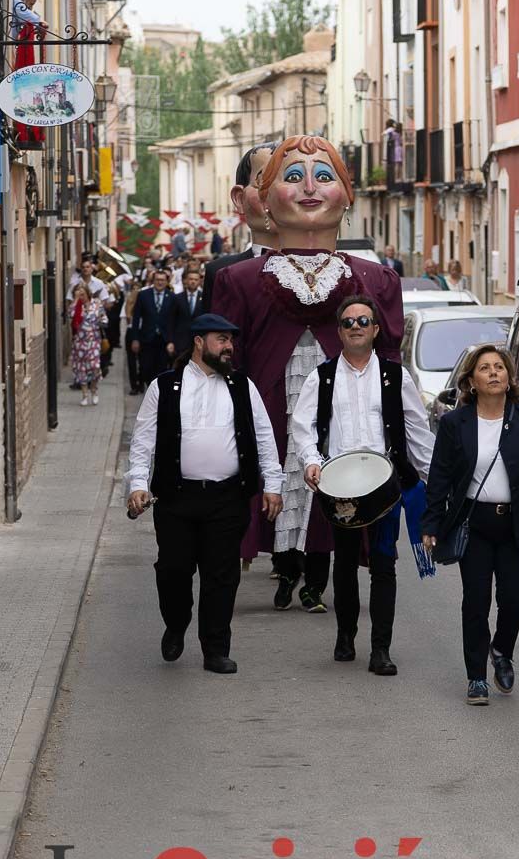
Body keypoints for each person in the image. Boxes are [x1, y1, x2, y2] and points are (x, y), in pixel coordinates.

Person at [213, 136, 404, 610]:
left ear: (347, 193)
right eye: (292, 177)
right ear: (265, 196)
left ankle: (323, 585)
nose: (310, 189)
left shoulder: (377, 281)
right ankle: (283, 569)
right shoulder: (236, 281)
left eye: (325, 176)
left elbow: (391, 372)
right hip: (267, 414)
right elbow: (225, 365)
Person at [127, 314, 284, 673]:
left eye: (231, 340)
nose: (229, 347)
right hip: (176, 499)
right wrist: (137, 484)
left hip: (227, 499)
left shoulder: (243, 386)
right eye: (221, 339)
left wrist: (271, 485)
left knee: (222, 575)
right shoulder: (164, 386)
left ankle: (215, 648)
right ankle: (176, 623)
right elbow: (142, 442)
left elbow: (264, 438)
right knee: (173, 571)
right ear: (199, 342)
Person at [293, 296, 434, 674]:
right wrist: (310, 460)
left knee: (384, 564)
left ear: (375, 329)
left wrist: (430, 478)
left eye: (363, 321)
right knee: (344, 564)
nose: (355, 327)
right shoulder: (320, 377)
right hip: (340, 487)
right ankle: (345, 635)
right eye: (348, 322)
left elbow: (418, 429)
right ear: (339, 331)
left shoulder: (396, 375)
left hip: (385, 485)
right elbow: (303, 427)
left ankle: (381, 649)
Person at [422, 346, 519, 704]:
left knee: (515, 600)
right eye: (484, 368)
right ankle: (476, 677)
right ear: (471, 380)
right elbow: (439, 474)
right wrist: (432, 522)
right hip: (474, 524)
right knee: (476, 600)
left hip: (516, 524)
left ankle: (501, 650)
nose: (493, 373)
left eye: (499, 367)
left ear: (509, 377)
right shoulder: (457, 422)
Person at [201, 140, 281, 313]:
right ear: (239, 198)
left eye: (292, 179)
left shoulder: (340, 274)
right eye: (265, 180)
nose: (281, 193)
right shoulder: (220, 273)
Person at [131, 268, 175, 387]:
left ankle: (158, 393)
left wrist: (171, 341)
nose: (160, 282)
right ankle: (149, 386)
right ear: (153, 281)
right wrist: (135, 338)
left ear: (167, 282)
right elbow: (136, 318)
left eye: (162, 280)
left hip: (163, 339)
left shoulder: (171, 297)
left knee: (161, 368)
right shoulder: (143, 295)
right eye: (157, 280)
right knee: (146, 366)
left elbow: (173, 321)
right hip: (147, 338)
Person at [70, 284, 108, 406]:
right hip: (79, 343)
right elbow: (70, 316)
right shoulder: (76, 306)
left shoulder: (96, 304)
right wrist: (76, 301)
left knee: (95, 367)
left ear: (87, 293)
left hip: (93, 341)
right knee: (82, 370)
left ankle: (94, 390)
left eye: (82, 294)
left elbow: (105, 320)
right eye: (78, 294)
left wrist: (100, 322)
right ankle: (85, 395)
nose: (81, 297)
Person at [168, 268, 203, 359]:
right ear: (186, 281)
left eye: (195, 279)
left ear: (199, 281)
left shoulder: (204, 298)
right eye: (191, 279)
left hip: (198, 342)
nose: (193, 282)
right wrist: (170, 341)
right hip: (180, 342)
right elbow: (171, 321)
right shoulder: (177, 298)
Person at [124, 279, 143, 394]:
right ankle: (134, 385)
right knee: (132, 361)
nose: (136, 291)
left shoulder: (144, 301)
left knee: (142, 360)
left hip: (142, 331)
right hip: (131, 331)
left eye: (138, 288)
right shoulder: (128, 302)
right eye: (134, 288)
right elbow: (127, 319)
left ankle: (140, 382)